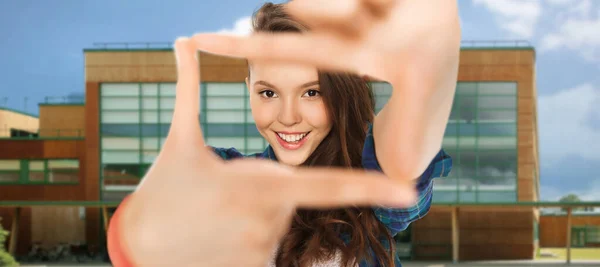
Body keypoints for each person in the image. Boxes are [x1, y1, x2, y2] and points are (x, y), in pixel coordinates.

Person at [107, 0, 460, 266]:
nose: (287, 117)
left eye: (312, 92)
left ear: (341, 93)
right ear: (248, 89)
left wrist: (427, 57)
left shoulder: (367, 194)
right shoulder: (224, 172)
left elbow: (405, 160)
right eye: (268, 93)